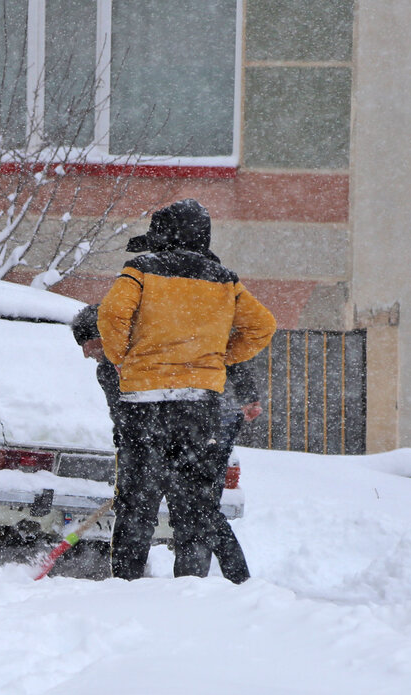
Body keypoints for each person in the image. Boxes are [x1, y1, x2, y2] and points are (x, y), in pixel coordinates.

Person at [96, 199, 276, 582]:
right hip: (200, 407)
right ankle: (191, 588)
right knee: (196, 504)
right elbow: (263, 326)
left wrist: (122, 357)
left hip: (144, 403)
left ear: (160, 236)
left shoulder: (140, 271)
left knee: (137, 503)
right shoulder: (225, 280)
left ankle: (125, 583)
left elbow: (112, 315)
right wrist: (220, 359)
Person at [71, 304, 263, 583]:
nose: (85, 352)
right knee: (136, 515)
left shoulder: (160, 342)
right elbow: (125, 421)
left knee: (197, 513)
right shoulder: (108, 371)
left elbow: (220, 348)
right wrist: (135, 466)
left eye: (87, 342)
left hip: (200, 433)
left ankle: (211, 584)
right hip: (152, 444)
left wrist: (247, 394)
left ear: (107, 334)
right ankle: (125, 587)